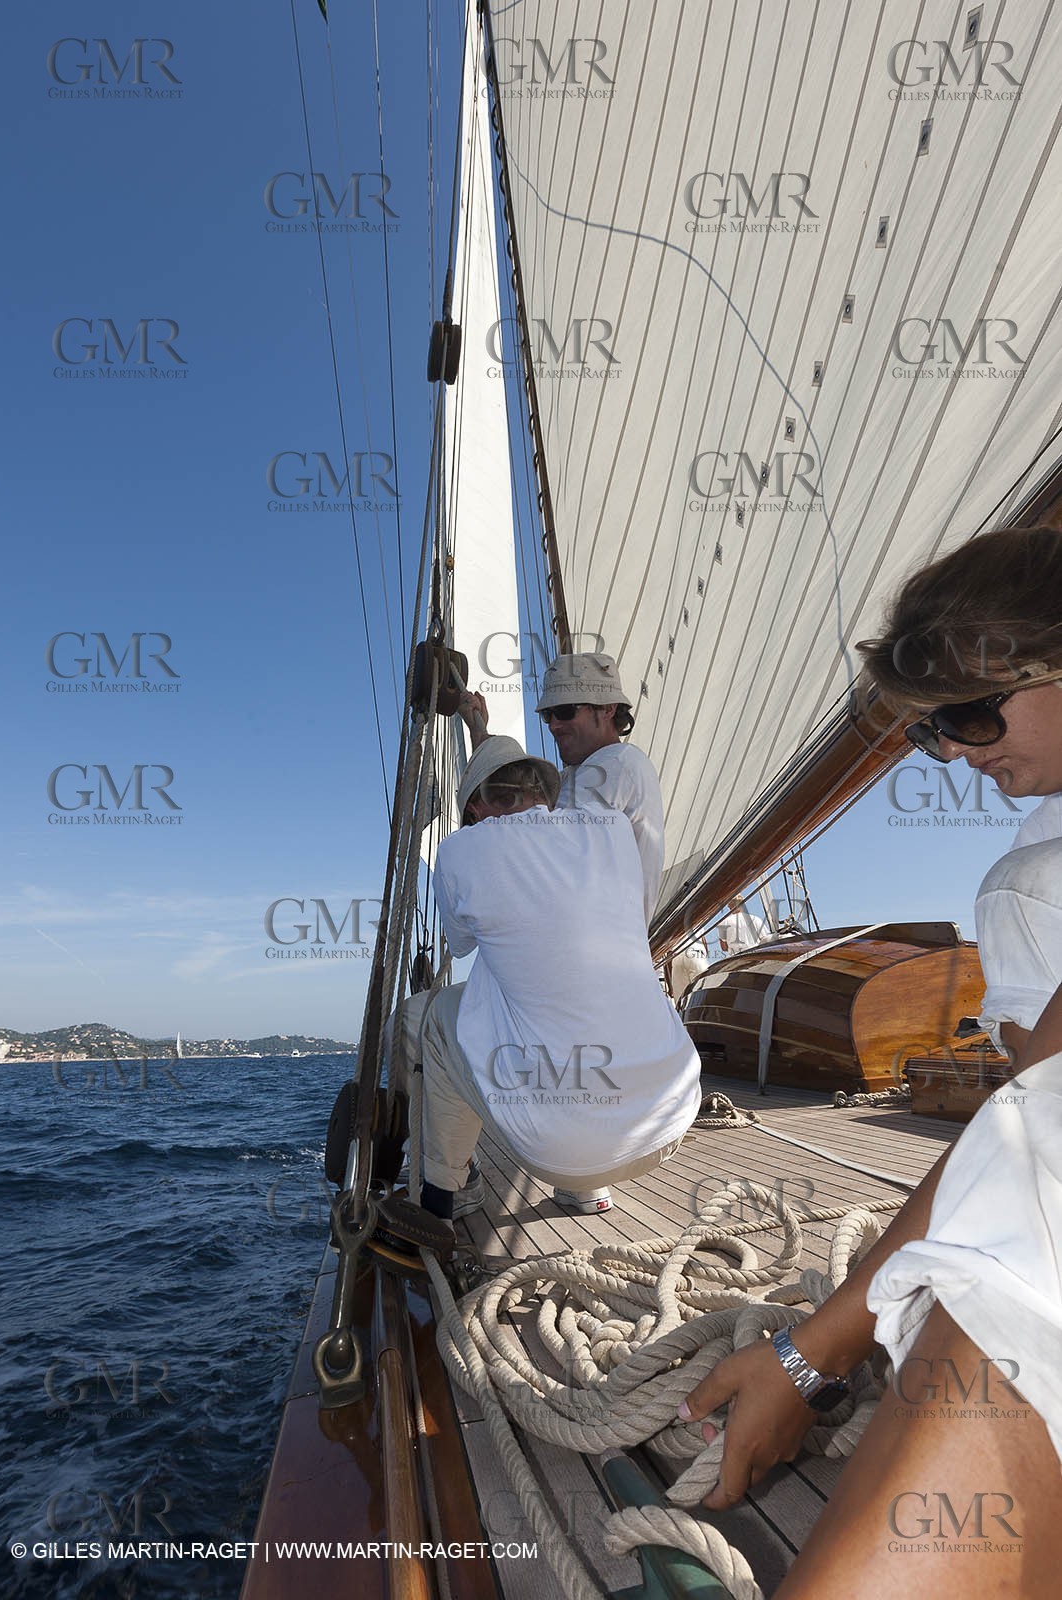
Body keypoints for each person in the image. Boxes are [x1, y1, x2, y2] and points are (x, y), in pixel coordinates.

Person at [677, 524, 1062, 1596]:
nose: (952, 752)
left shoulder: (1031, 889)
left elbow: (1030, 1139)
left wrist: (809, 1358)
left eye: (971, 714)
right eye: (932, 731)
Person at [418, 734, 701, 1219]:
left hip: (557, 1155)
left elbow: (461, 943)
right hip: (670, 1123)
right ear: (543, 792)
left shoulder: (461, 851)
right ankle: (588, 1191)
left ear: (479, 809)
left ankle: (447, 1191)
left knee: (435, 1018)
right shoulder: (612, 829)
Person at [461, 652, 664, 923]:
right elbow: (520, 818)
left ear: (607, 709)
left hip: (592, 955)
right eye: (548, 714)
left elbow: (537, 845)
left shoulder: (618, 763)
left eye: (566, 711)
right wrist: (480, 736)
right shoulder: (575, 775)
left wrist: (485, 743)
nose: (554, 725)